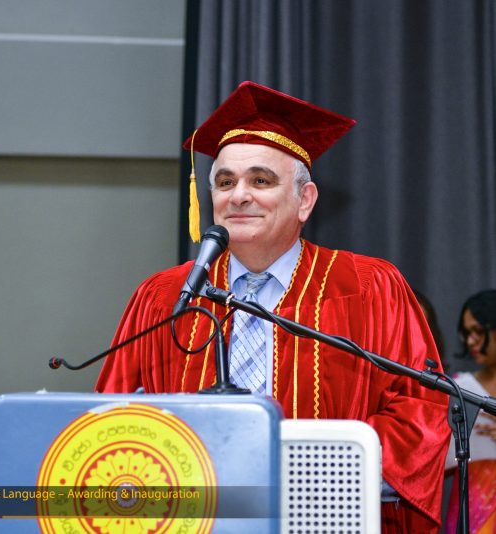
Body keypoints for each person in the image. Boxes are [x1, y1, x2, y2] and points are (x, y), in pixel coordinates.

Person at [95, 81, 450, 532]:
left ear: (305, 200)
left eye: (260, 180)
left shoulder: (368, 287)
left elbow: (420, 411)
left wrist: (312, 475)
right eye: (225, 182)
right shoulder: (165, 296)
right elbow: (114, 417)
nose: (239, 195)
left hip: (326, 519)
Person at [444, 289, 496, 533]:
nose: (471, 341)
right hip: (470, 506)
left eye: (479, 331)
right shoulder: (460, 387)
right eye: (467, 334)